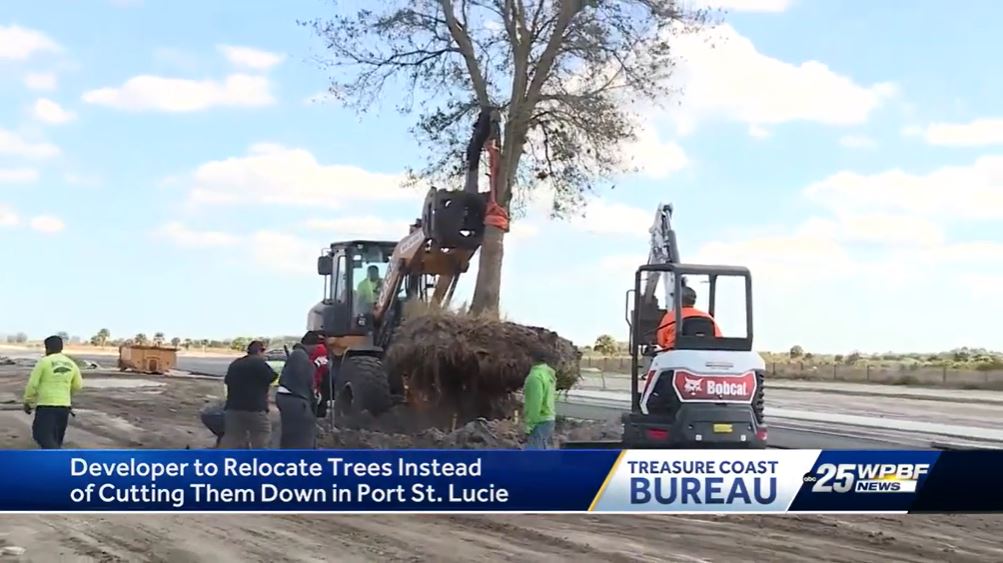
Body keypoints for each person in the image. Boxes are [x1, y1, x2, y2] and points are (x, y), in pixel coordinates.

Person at [23, 335, 83, 449]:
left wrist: (28, 401)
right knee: (56, 438)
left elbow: (33, 384)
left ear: (47, 348)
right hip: (64, 406)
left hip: (46, 406)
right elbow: (78, 385)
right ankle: (54, 462)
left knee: (40, 435)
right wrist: (66, 393)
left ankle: (58, 457)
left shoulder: (44, 362)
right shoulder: (71, 364)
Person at [221, 340, 277, 449]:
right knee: (261, 435)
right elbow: (272, 377)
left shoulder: (236, 363)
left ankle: (228, 462)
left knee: (233, 438)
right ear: (260, 351)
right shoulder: (259, 363)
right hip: (255, 408)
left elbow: (227, 380)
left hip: (233, 407)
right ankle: (257, 461)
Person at [275, 346, 318, 448]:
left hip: (283, 397)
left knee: (288, 434)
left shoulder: (292, 362)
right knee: (303, 435)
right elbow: (309, 382)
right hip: (298, 401)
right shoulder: (304, 361)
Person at [656, 285, 722, 349]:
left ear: (677, 299)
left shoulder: (670, 316)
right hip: (704, 354)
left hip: (675, 353)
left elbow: (661, 341)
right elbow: (718, 338)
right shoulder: (707, 317)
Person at [522, 345, 557, 449]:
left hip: (539, 422)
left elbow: (535, 404)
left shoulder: (535, 377)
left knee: (533, 458)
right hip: (549, 419)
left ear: (531, 358)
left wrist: (529, 426)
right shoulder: (548, 374)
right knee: (542, 454)